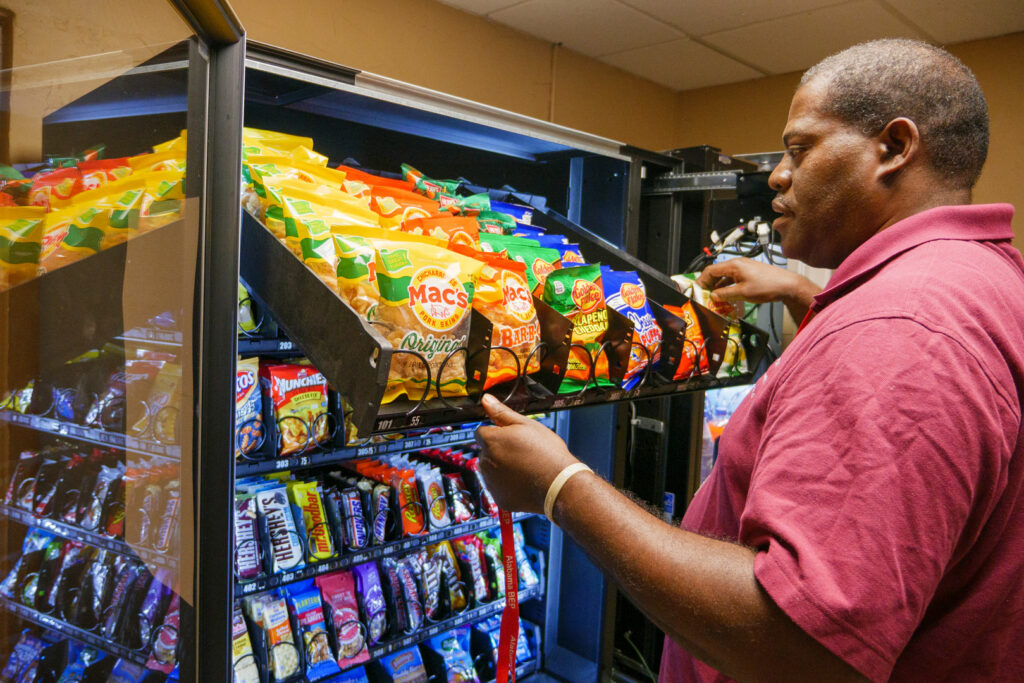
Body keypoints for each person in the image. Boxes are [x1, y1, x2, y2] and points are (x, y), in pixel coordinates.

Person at [475, 38, 1024, 682]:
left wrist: (559, 487)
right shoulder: (971, 279)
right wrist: (797, 291)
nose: (777, 176)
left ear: (895, 148)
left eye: (800, 148)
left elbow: (798, 640)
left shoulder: (902, 327)